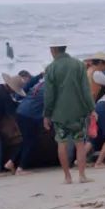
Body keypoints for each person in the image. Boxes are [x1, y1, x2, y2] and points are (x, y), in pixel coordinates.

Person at [42, 41, 97, 184]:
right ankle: (82, 176)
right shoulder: (78, 65)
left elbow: (49, 95)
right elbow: (86, 90)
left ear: (54, 49)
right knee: (80, 143)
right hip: (78, 111)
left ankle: (67, 177)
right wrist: (92, 109)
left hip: (59, 113)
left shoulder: (51, 68)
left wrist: (47, 114)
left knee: (62, 143)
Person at [14, 80, 46, 172]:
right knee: (30, 141)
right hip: (30, 115)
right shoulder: (49, 88)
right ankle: (21, 167)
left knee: (26, 141)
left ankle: (11, 162)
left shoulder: (39, 84)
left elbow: (23, 92)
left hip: (21, 111)